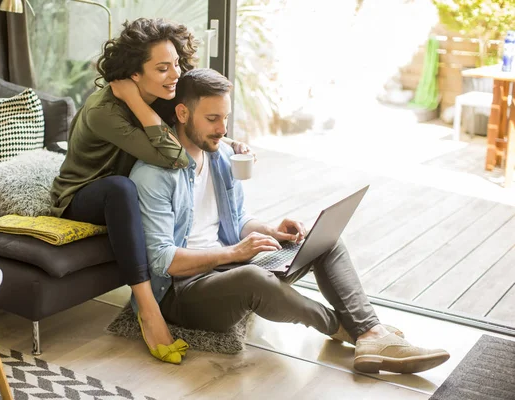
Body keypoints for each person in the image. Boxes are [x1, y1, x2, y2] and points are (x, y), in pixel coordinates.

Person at [128, 68, 451, 373]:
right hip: (183, 291)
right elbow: (162, 261)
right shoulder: (153, 175)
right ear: (182, 114)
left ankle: (370, 331)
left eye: (225, 117)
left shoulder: (222, 156)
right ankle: (359, 332)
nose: (222, 129)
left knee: (324, 241)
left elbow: (236, 221)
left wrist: (270, 231)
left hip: (228, 267)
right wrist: (234, 254)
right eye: (212, 119)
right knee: (254, 279)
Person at [49, 18, 252, 365]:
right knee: (121, 188)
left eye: (175, 63)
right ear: (134, 74)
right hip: (82, 195)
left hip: (127, 189)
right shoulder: (104, 111)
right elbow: (174, 157)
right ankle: (147, 309)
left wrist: (229, 140)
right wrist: (134, 101)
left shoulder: (161, 94)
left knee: (129, 187)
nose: (175, 74)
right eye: (162, 68)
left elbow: (185, 133)